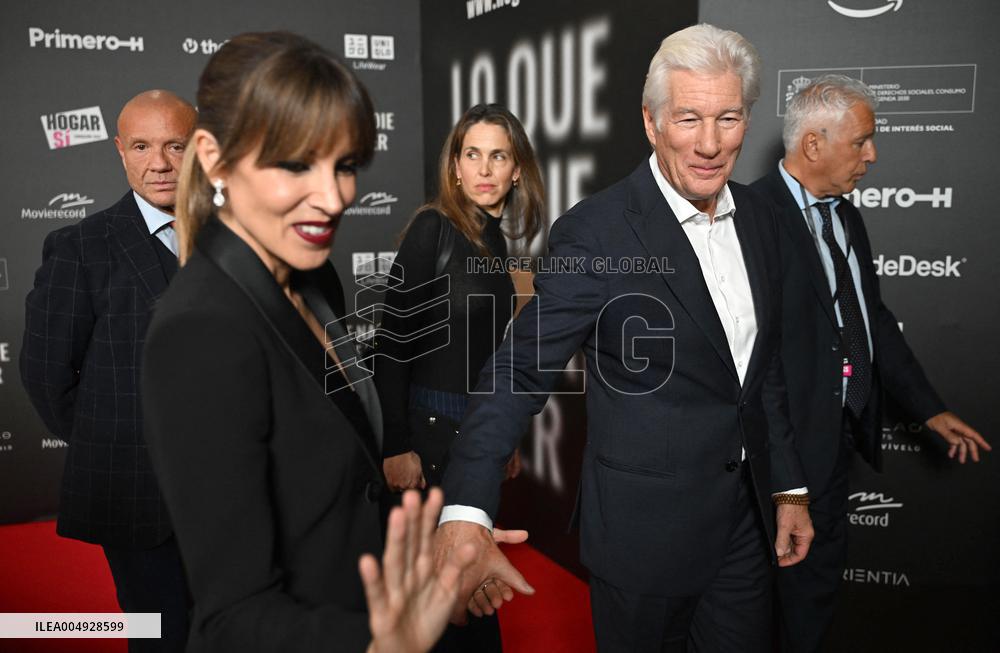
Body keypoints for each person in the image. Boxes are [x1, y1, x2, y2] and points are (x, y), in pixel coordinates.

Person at [432, 23, 815, 652]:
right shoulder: (598, 232)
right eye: (689, 118)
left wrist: (789, 488)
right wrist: (466, 509)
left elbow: (759, 370)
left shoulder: (764, 219)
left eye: (729, 117)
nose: (711, 143)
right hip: (643, 541)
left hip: (744, 530)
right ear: (651, 122)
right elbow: (518, 371)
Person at [140, 31, 473, 652]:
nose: (336, 195)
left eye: (344, 165)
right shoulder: (202, 329)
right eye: (295, 163)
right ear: (213, 159)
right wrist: (380, 642)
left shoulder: (314, 276)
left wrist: (438, 565)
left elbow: (336, 489)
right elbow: (232, 616)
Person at [749, 74, 991, 653]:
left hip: (835, 444)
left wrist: (928, 409)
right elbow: (753, 353)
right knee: (759, 607)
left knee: (813, 598)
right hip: (772, 458)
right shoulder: (749, 216)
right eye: (861, 141)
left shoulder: (846, 217)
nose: (872, 155)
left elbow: (870, 319)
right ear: (813, 144)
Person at [20, 89, 196, 653]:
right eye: (142, 146)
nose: (160, 163)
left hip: (239, 494)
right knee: (160, 635)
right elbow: (48, 374)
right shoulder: (79, 246)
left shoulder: (240, 240)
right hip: (136, 496)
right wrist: (119, 442)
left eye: (176, 145)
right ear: (120, 150)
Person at [375, 103, 544, 651]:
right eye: (472, 154)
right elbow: (390, 346)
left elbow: (489, 355)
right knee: (439, 601)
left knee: (466, 594)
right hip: (425, 439)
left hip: (473, 437)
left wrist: (503, 435)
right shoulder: (433, 229)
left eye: (499, 156)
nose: (484, 168)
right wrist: (396, 445)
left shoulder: (495, 242)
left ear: (517, 170)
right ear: (455, 166)